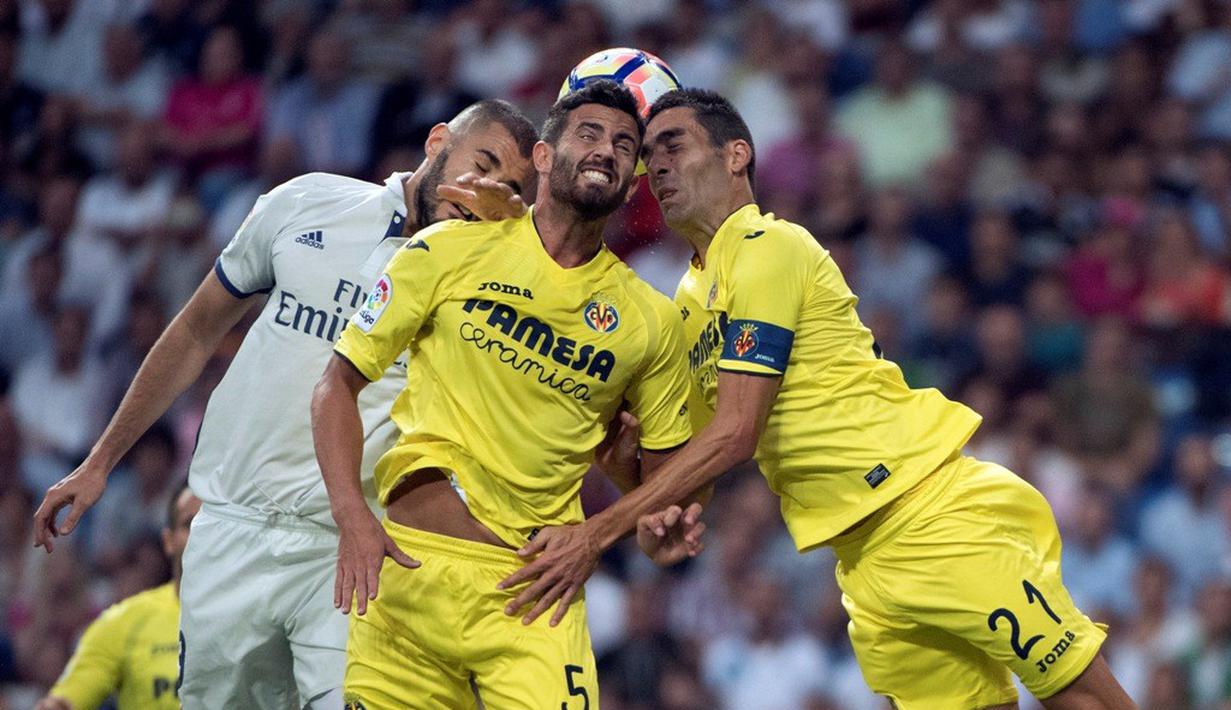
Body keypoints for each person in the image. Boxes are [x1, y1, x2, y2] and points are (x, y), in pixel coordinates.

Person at [502, 89, 1137, 710]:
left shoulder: (769, 247)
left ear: (736, 156)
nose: (656, 165)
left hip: (930, 512)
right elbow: (688, 482)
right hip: (861, 562)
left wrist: (595, 533)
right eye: (649, 155)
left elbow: (737, 434)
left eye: (674, 144)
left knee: (1080, 694)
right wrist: (634, 488)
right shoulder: (690, 304)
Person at [32, 100, 539, 709]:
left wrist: (519, 248)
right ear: (437, 142)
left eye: (507, 186)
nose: (483, 189)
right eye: (481, 163)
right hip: (231, 527)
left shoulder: (493, 285)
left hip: (350, 544)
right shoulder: (307, 202)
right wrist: (100, 462)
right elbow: (195, 332)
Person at [311, 80, 703, 710]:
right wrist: (350, 514)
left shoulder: (651, 321)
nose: (607, 149)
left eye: (624, 144)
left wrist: (620, 519)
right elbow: (336, 384)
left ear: (634, 182)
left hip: (536, 595)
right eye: (589, 133)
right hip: (411, 578)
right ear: (543, 157)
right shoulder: (445, 249)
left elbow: (665, 488)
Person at [36, 484, 201, 710]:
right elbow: (68, 700)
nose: (202, 533)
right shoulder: (124, 622)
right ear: (168, 541)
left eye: (211, 524)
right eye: (190, 524)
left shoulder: (260, 612)